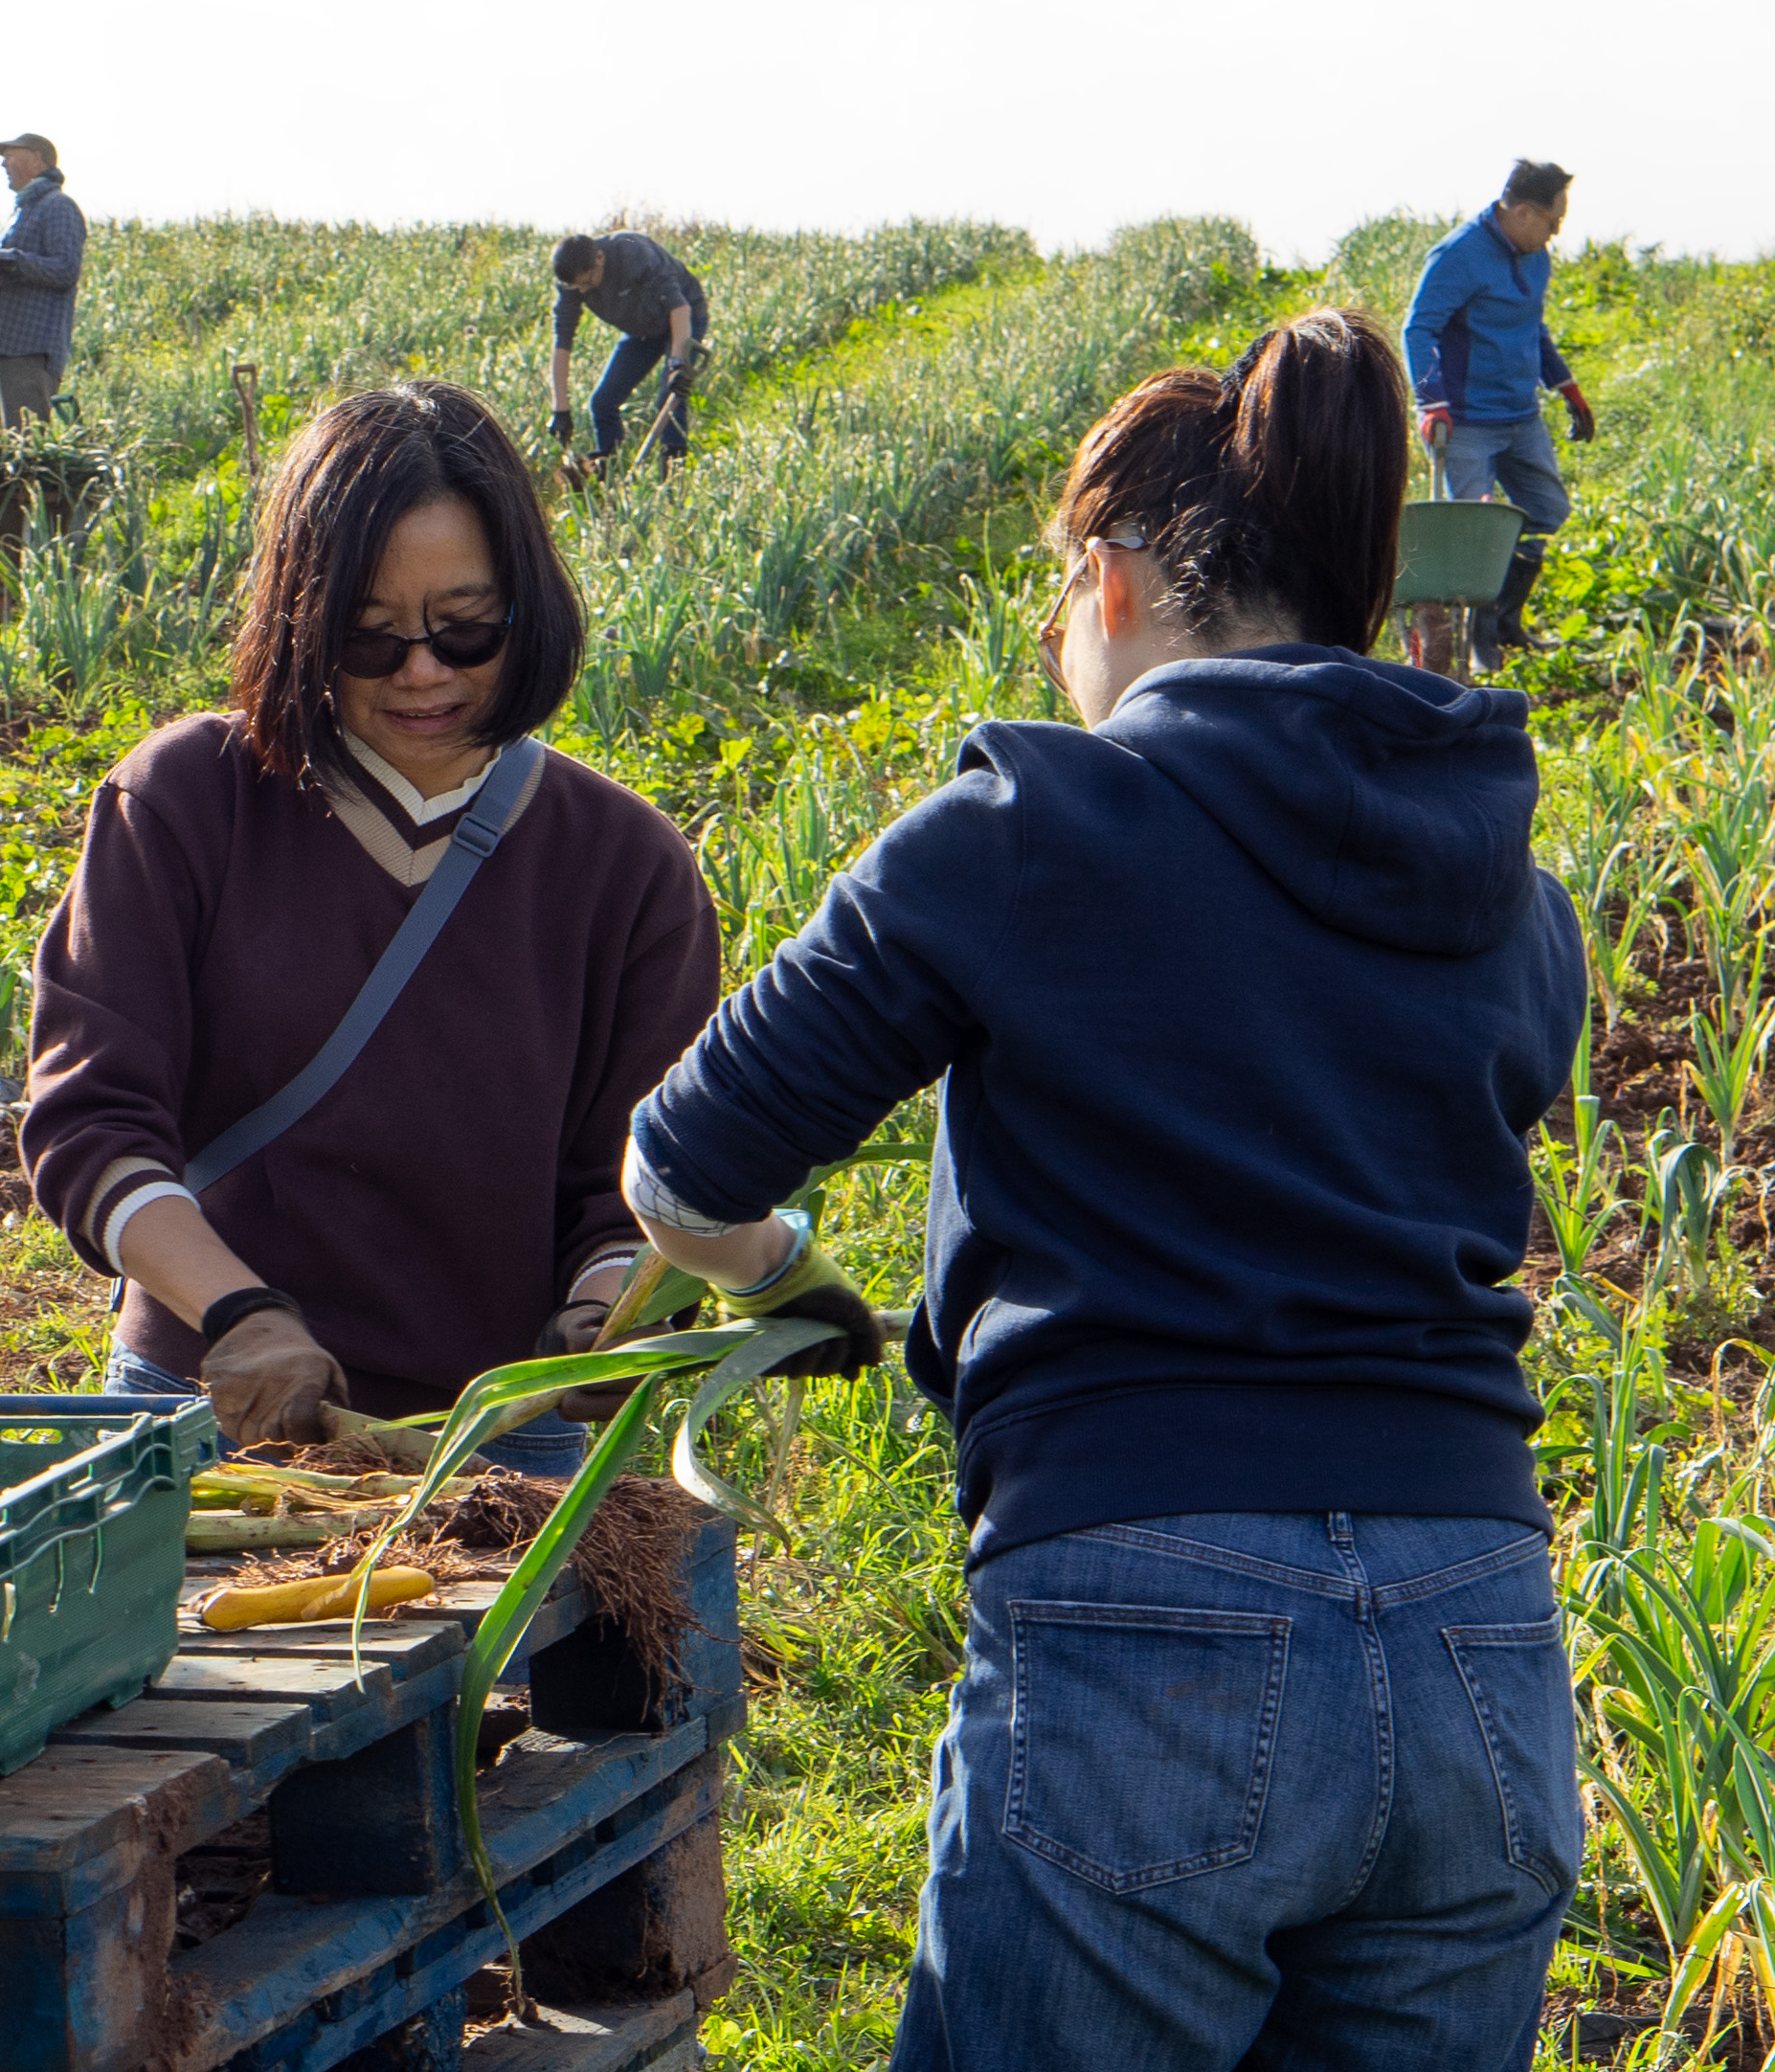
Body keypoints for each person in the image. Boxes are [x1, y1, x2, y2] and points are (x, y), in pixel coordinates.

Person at [607, 312, 1585, 2066]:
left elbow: (680, 1170)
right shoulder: (1513, 898)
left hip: (1151, 1608)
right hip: (1480, 1634)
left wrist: (798, 1283)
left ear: (1118, 574)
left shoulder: (1028, 825)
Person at [19, 381, 722, 1468]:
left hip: (504, 1433)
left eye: (464, 629)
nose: (423, 672)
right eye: (368, 638)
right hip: (214, 1399)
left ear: (525, 608)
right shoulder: (188, 802)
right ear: (299, 624)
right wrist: (235, 1313)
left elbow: (626, 1183)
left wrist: (606, 1320)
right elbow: (91, 1121)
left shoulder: (623, 867)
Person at [1403, 160, 1592, 665]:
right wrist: (1431, 402)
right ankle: (1473, 645)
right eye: (1552, 222)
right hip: (1465, 422)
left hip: (1521, 415)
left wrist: (1565, 385)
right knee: (1471, 540)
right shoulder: (1458, 256)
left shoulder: (1536, 258)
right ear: (1524, 211)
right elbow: (1418, 330)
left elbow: (1534, 327)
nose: (1555, 234)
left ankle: (1505, 622)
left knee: (1547, 511)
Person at [548, 231, 708, 485]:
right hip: (642, 331)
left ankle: (673, 484)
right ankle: (611, 478)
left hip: (685, 319)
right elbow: (562, 341)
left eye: (587, 283)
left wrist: (678, 364)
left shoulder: (632, 253)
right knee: (602, 403)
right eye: (577, 287)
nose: (583, 291)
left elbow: (680, 309)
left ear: (600, 258)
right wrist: (560, 409)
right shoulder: (574, 282)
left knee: (670, 396)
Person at [0, 133, 84, 429]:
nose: (4, 163)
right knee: (4, 445)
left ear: (36, 160)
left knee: (25, 444)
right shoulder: (24, 209)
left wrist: (9, 260)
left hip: (29, 349)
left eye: (11, 155)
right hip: (1, 344)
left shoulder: (58, 207)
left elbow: (66, 268)